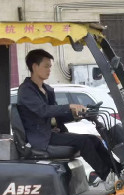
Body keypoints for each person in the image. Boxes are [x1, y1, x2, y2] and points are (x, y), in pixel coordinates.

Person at [17, 49, 115, 183]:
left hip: (51, 134)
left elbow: (56, 117)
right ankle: (106, 175)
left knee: (94, 140)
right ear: (34, 67)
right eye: (46, 66)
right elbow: (43, 111)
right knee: (84, 142)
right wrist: (69, 106)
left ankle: (116, 170)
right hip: (41, 138)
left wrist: (78, 115)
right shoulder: (26, 90)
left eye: (50, 67)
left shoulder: (47, 90)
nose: (49, 70)